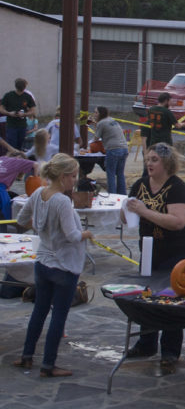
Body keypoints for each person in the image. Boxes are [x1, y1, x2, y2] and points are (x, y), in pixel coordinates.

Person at [13, 153, 94, 377]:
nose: (75, 180)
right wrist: (86, 233)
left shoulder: (39, 193)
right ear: (63, 177)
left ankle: (27, 356)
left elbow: (21, 220)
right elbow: (72, 235)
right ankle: (48, 364)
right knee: (59, 315)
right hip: (63, 265)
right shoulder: (62, 201)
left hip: (43, 261)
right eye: (73, 176)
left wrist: (42, 228)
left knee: (39, 311)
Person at [122, 142, 185, 373]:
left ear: (166, 162)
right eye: (148, 159)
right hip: (149, 246)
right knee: (146, 294)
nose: (149, 163)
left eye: (154, 159)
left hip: (176, 248)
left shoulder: (177, 187)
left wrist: (144, 211)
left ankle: (170, 349)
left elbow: (178, 222)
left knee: (170, 297)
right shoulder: (141, 184)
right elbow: (127, 216)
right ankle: (146, 342)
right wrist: (125, 210)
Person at [92, 106, 129, 195]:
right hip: (124, 149)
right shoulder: (112, 120)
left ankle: (112, 195)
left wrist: (94, 124)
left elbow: (96, 138)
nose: (94, 114)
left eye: (96, 112)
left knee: (111, 174)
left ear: (101, 114)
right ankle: (122, 195)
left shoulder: (101, 123)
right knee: (120, 174)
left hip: (113, 150)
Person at [1, 78, 36, 150]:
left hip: (22, 125)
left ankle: (19, 160)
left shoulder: (27, 96)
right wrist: (9, 113)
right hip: (11, 125)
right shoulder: (8, 95)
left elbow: (33, 111)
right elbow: (1, 109)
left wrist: (24, 114)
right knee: (12, 147)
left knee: (21, 147)